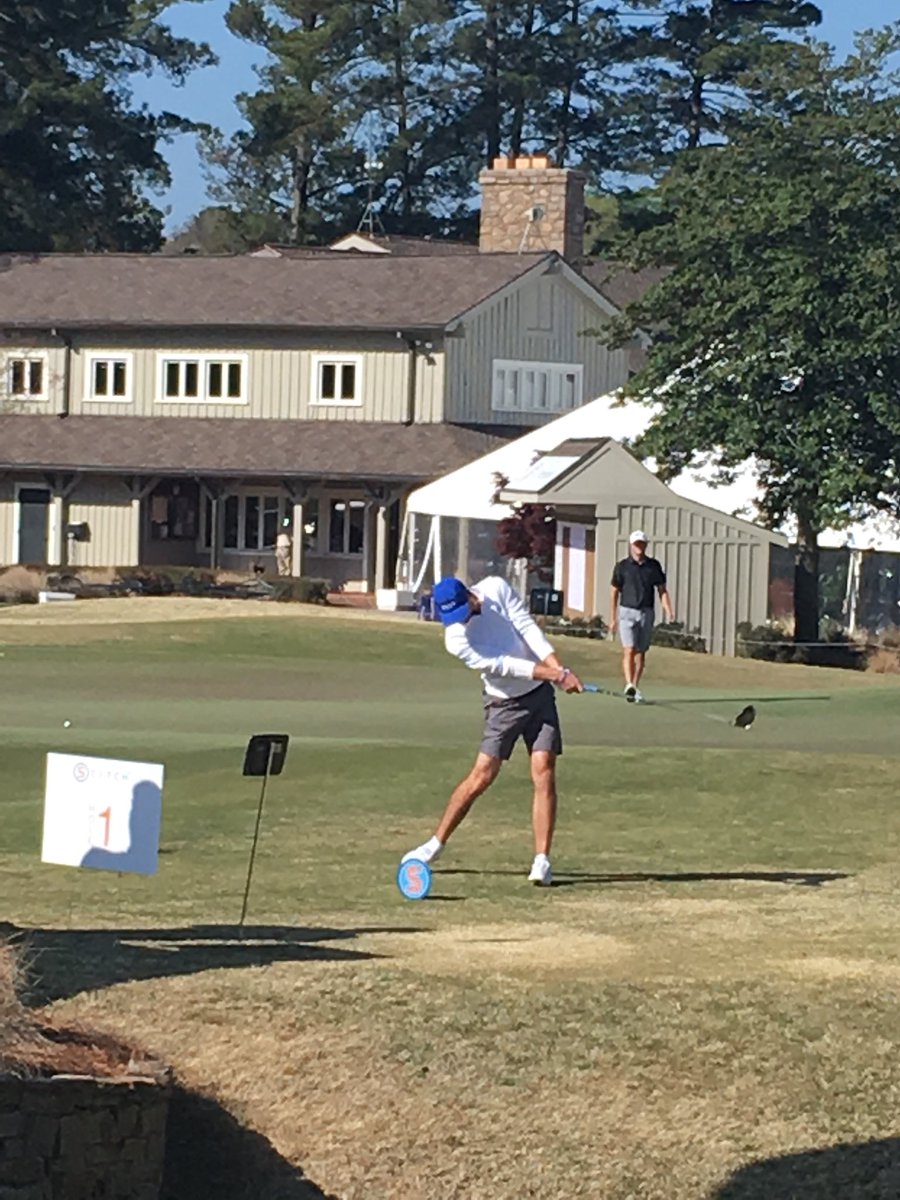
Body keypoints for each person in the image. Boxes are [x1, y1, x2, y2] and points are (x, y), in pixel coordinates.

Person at [401, 575, 583, 887]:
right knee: (482, 775)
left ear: (469, 595)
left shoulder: (497, 588)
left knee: (544, 770)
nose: (459, 620)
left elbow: (527, 628)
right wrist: (555, 675)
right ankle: (435, 844)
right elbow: (503, 665)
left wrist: (558, 669)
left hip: (539, 695)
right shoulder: (455, 639)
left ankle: (542, 860)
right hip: (504, 704)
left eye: (462, 610)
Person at [609, 530, 674, 703]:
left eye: (642, 544)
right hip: (626, 611)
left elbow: (662, 590)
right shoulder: (622, 566)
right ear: (631, 545)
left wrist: (668, 609)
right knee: (629, 649)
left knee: (641, 652)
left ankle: (635, 687)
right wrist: (613, 617)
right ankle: (629, 684)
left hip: (646, 612)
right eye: (636, 544)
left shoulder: (653, 566)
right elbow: (614, 591)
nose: (639, 547)